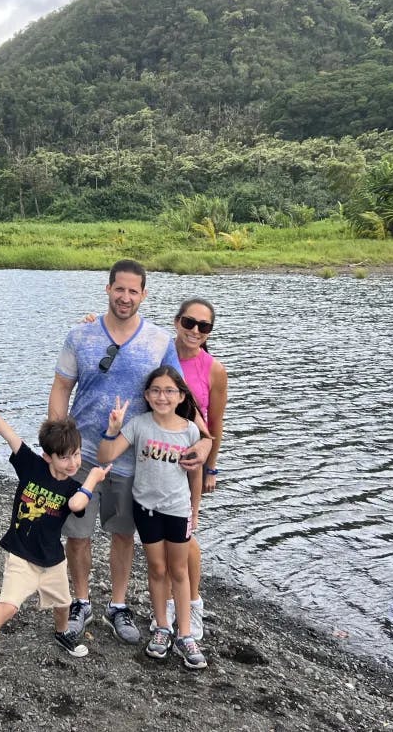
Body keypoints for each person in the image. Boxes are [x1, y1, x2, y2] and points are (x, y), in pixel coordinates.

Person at [48, 259, 211, 645]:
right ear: (108, 289)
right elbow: (60, 388)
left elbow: (178, 394)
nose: (125, 297)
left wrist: (205, 439)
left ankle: (118, 605)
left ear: (143, 294)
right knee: (78, 534)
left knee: (123, 536)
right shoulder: (80, 335)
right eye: (118, 289)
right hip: (81, 456)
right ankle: (82, 601)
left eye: (133, 291)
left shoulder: (158, 341)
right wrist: (57, 447)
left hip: (131, 458)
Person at [0, 383, 111, 702]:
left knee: (62, 603)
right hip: (22, 555)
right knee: (8, 606)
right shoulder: (31, 466)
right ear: (48, 456)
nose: (72, 462)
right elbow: (9, 435)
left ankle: (62, 634)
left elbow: (77, 506)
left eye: (77, 455)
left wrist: (90, 480)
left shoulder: (73, 485)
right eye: (65, 457)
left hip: (52, 558)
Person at [98, 366, 207, 668]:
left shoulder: (190, 430)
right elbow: (106, 455)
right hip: (146, 509)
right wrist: (113, 427)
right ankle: (162, 627)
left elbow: (195, 475)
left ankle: (185, 634)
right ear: (146, 395)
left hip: (178, 510)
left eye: (169, 391)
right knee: (157, 569)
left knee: (179, 571)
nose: (162, 396)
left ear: (180, 396)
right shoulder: (138, 425)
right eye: (156, 391)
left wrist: (194, 509)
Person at [160, 298, 228, 641]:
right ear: (177, 321)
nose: (195, 331)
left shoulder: (213, 368)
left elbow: (215, 421)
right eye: (189, 322)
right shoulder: (159, 350)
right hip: (155, 455)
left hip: (191, 461)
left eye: (204, 326)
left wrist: (211, 468)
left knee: (185, 535)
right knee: (158, 537)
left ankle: (192, 602)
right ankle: (167, 605)